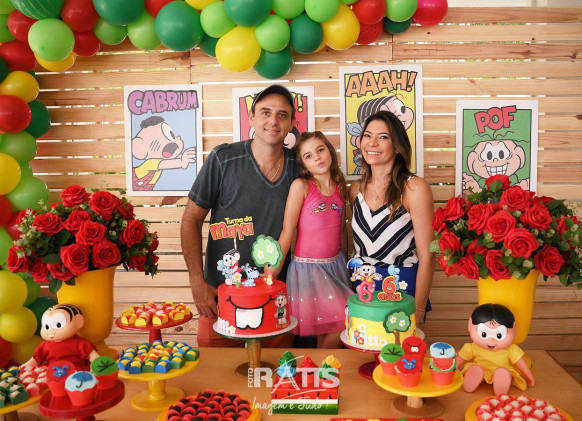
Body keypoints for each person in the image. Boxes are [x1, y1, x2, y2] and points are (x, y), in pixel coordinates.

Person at [181, 84, 299, 347]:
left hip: (277, 303)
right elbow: (191, 220)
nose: (273, 121)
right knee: (217, 372)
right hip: (219, 299)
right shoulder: (223, 160)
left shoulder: (299, 166)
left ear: (291, 123)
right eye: (265, 112)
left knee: (274, 372)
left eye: (282, 115)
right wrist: (197, 281)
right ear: (252, 117)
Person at [348, 110, 434, 327]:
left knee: (396, 348)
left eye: (383, 137)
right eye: (367, 135)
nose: (372, 143)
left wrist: (418, 311)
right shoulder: (355, 190)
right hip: (361, 290)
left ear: (397, 146)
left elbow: (427, 256)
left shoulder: (414, 188)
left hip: (401, 290)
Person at [267, 131, 353, 349]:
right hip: (309, 271)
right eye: (308, 156)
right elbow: (287, 231)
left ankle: (318, 367)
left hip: (336, 267)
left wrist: (346, 266)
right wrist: (272, 272)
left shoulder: (340, 188)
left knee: (330, 328)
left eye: (320, 150)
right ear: (304, 165)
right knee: (345, 321)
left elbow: (342, 231)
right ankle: (320, 365)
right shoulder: (302, 186)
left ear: (330, 152)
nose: (317, 157)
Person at [457, 304, 535, 394]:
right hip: (481, 369)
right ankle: (477, 376)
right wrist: (451, 369)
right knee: (475, 369)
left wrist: (527, 375)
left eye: (499, 335)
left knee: (505, 373)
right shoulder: (472, 347)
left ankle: (502, 380)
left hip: (502, 371)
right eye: (484, 334)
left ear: (514, 329)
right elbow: (459, 360)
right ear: (470, 325)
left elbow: (520, 363)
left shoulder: (511, 349)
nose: (491, 340)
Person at [22, 304, 99, 371]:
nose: (51, 331)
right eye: (47, 327)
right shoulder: (45, 345)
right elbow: (35, 360)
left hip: (75, 371)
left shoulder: (80, 343)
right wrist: (23, 368)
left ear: (78, 322)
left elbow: (94, 358)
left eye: (58, 325)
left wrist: (100, 367)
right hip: (52, 372)